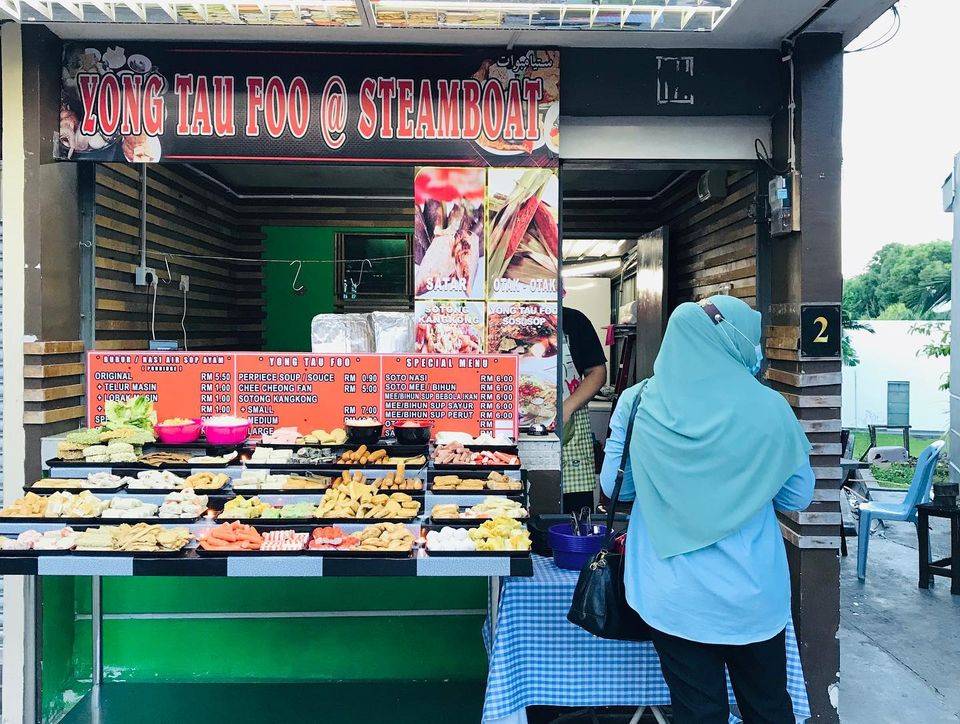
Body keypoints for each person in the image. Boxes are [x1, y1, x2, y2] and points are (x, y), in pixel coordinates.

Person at [599, 295, 814, 723]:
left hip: (673, 592)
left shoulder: (639, 402)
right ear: (733, 344)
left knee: (697, 711)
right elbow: (796, 497)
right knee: (769, 707)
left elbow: (615, 489)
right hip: (754, 593)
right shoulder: (771, 408)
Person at [560, 305, 607, 514]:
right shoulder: (500, 316)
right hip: (510, 429)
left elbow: (597, 371)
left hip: (569, 425)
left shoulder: (573, 320)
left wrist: (568, 406)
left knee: (574, 513)